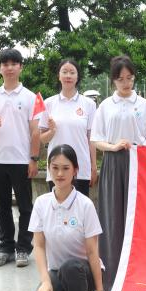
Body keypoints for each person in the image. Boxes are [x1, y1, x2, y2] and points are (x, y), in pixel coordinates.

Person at [90, 55, 146, 291]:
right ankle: (110, 278)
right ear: (113, 81)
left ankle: (139, 276)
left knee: (137, 217)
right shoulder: (106, 106)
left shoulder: (143, 104)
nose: (126, 83)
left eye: (130, 78)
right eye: (121, 79)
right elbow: (96, 139)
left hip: (139, 163)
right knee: (112, 217)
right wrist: (113, 146)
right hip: (113, 163)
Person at [30, 144, 106, 291]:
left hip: (84, 273)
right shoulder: (41, 203)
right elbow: (38, 246)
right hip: (58, 271)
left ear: (75, 171)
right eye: (55, 167)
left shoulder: (85, 205)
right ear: (48, 169)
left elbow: (92, 252)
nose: (60, 173)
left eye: (66, 168)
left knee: (71, 267)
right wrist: (45, 282)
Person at [0, 48, 40, 268]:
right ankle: (5, 248)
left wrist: (33, 159)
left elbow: (35, 132)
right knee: (2, 207)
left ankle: (23, 248)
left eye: (14, 64)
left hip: (21, 160)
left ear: (20, 67)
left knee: (25, 207)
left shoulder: (30, 97)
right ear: (0, 69)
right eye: (5, 64)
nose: (9, 68)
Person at [39, 59, 97, 197]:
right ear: (59, 76)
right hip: (56, 169)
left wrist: (93, 166)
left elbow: (92, 138)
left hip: (81, 168)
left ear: (78, 76)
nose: (68, 76)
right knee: (57, 206)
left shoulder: (89, 104)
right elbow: (42, 138)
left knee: (80, 207)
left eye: (72, 72)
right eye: (64, 72)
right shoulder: (49, 103)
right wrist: (52, 131)